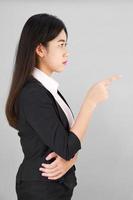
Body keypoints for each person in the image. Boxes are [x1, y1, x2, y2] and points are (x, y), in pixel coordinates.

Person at [5, 13, 122, 200]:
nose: (66, 52)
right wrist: (90, 102)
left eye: (66, 44)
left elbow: (68, 143)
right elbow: (67, 147)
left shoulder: (48, 90)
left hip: (55, 187)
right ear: (40, 50)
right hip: (40, 190)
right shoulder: (33, 94)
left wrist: (70, 160)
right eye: (60, 45)